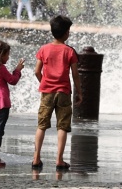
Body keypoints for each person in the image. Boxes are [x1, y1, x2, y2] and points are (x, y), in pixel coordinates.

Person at [32, 15, 82, 171]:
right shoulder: (69, 51)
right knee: (62, 126)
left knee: (42, 125)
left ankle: (36, 158)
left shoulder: (44, 49)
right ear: (66, 32)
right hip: (63, 92)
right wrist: (79, 92)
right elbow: (75, 74)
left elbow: (36, 71)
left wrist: (44, 83)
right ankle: (59, 160)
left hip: (47, 91)